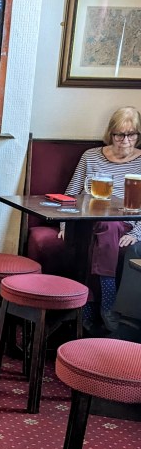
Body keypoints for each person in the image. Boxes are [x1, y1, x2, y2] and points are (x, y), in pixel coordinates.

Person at [61, 107, 141, 329]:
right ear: (110, 133)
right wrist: (65, 224)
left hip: (125, 222)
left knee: (107, 229)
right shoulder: (91, 156)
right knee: (103, 228)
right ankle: (108, 303)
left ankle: (88, 308)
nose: (125, 141)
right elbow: (72, 192)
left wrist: (137, 233)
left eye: (131, 134)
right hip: (89, 220)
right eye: (119, 135)